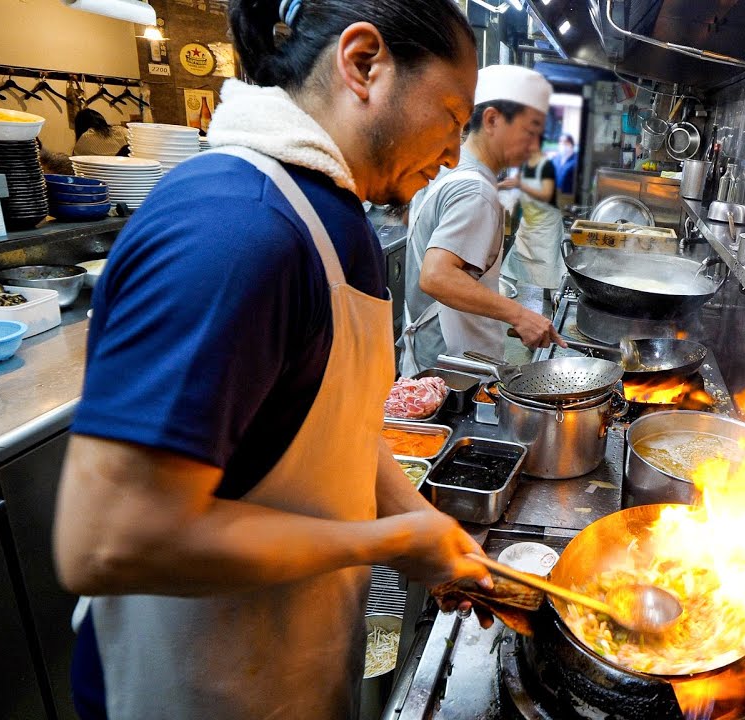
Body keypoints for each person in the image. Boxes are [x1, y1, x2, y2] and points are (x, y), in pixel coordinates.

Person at [53, 1, 490, 717]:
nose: (453, 153)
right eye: (450, 114)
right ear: (363, 63)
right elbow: (107, 540)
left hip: (284, 665)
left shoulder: (335, 216)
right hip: (188, 690)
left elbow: (337, 430)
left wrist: (422, 530)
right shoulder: (234, 227)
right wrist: (383, 539)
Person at [399, 64, 565, 375]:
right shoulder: (476, 190)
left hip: (425, 353)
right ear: (491, 120)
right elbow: (436, 276)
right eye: (529, 132)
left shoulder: (449, 167)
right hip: (452, 366)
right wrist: (520, 315)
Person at [501, 140, 564, 296]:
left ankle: (555, 306)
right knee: (515, 261)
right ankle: (503, 295)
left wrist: (520, 184)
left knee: (548, 266)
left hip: (546, 224)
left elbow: (546, 194)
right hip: (529, 222)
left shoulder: (548, 166)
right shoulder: (527, 165)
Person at [552, 132, 577, 199]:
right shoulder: (556, 159)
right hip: (555, 194)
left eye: (565, 142)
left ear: (571, 144)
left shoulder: (576, 161)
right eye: (560, 142)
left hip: (568, 196)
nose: (562, 144)